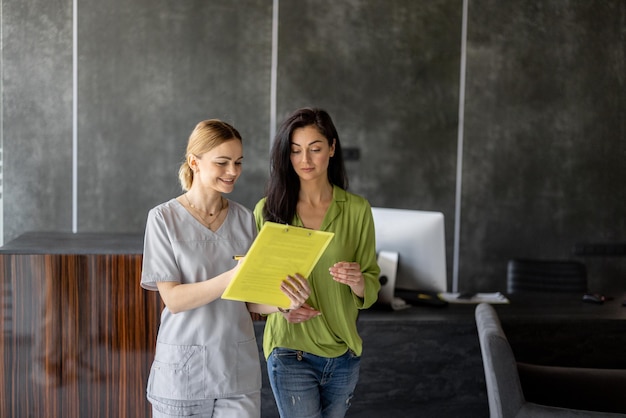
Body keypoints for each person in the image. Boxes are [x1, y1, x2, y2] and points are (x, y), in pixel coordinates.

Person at [140, 119, 311, 418]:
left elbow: (250, 300)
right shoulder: (162, 219)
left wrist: (285, 302)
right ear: (195, 161)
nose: (233, 171)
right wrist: (232, 276)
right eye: (222, 162)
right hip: (183, 376)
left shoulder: (245, 219)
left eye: (238, 162)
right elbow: (174, 300)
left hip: (236, 374)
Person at [253, 108, 381, 418]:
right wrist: (283, 306)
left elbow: (372, 281)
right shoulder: (268, 210)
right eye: (296, 150)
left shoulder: (357, 210)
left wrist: (359, 281)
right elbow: (253, 296)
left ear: (332, 149)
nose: (305, 160)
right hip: (289, 350)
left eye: (315, 148)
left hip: (343, 351)